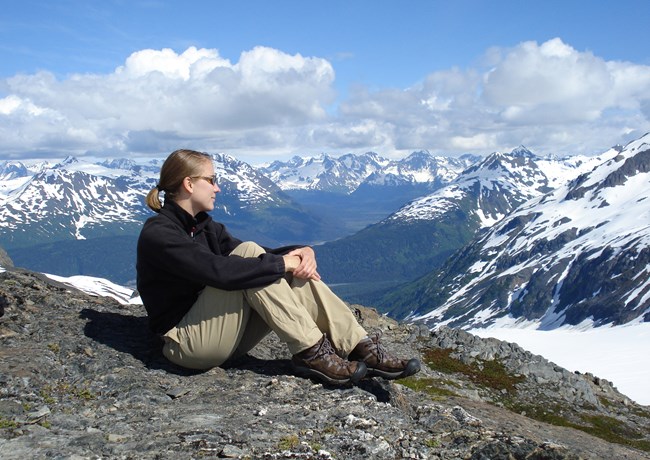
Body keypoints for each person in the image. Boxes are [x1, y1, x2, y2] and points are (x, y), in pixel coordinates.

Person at [136, 149, 420, 385]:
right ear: (189, 184)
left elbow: (263, 256)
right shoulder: (160, 234)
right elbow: (219, 272)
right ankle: (311, 353)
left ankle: (361, 348)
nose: (217, 187)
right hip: (188, 344)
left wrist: (300, 253)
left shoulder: (205, 228)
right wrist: (282, 262)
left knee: (266, 261)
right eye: (211, 180)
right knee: (250, 257)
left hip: (222, 336)